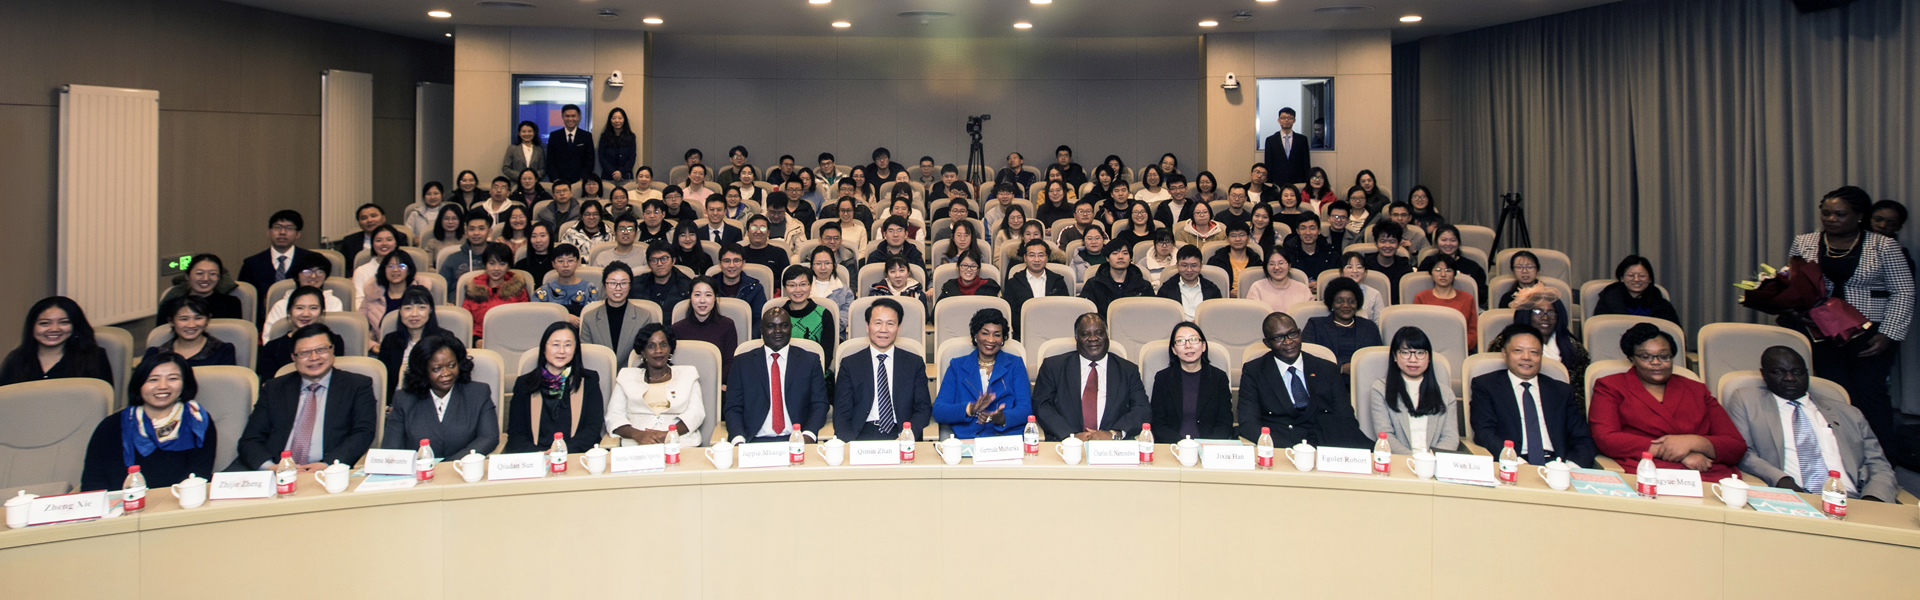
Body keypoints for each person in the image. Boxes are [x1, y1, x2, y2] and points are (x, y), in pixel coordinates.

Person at [1724, 346, 1897, 501]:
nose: (1790, 378)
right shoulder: (1747, 401)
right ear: (1763, 375)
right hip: (1789, 496)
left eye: (1798, 372)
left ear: (1807, 373)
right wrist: (1781, 480)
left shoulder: (1849, 413)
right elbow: (1744, 453)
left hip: (1849, 499)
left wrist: (1873, 500)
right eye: (1778, 372)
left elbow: (1878, 464)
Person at [1590, 324, 1747, 481]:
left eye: (1664, 356)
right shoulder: (1611, 386)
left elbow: (1735, 445)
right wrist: (1676, 452)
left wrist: (1693, 442)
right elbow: (1606, 438)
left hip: (1703, 471)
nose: (1656, 362)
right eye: (1646, 357)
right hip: (1645, 471)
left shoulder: (1697, 389)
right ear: (1632, 358)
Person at [234, 323, 379, 471]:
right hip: (276, 469)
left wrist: (327, 465)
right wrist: (271, 467)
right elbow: (250, 439)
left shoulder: (357, 385)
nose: (314, 357)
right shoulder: (274, 388)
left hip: (328, 471)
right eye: (305, 353)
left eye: (321, 350)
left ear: (332, 350)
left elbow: (363, 433)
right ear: (293, 357)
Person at [80, 353, 216, 491]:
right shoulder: (110, 426)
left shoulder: (198, 422)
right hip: (121, 503)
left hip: (180, 501)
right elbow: (93, 481)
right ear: (139, 384)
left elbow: (199, 476)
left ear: (185, 383)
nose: (163, 386)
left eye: (172, 378)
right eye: (153, 380)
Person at [1468, 323, 1597, 467]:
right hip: (1513, 464)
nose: (1526, 357)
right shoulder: (1486, 386)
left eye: (1534, 352)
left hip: (1558, 464)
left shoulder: (1562, 391)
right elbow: (1484, 433)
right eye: (1518, 351)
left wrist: (1568, 468)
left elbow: (1582, 439)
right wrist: (1516, 462)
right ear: (1504, 353)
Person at [1235, 312, 1369, 447]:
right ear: (1267, 343)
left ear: (1300, 333)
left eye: (1292, 334)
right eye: (1278, 338)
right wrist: (1288, 451)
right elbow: (1249, 423)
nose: (1288, 342)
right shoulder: (1254, 371)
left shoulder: (1326, 369)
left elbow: (1345, 417)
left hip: (1324, 444)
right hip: (1279, 445)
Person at [1032, 314, 1150, 441]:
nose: (1093, 338)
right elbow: (1042, 406)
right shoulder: (1054, 367)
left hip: (1113, 446)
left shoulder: (1128, 370)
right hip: (1065, 444)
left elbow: (1142, 409)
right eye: (1085, 334)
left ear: (1107, 335)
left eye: (1099, 333)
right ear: (1076, 338)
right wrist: (1071, 436)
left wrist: (1114, 434)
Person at [381, 334, 498, 461]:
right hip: (417, 470)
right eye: (436, 369)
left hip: (462, 467)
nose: (446, 373)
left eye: (451, 365)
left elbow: (488, 437)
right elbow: (391, 448)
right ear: (422, 370)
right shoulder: (404, 399)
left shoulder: (478, 393)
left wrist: (448, 465)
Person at [724, 307, 830, 442]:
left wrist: (808, 435)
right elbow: (733, 408)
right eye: (771, 326)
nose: (778, 331)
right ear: (761, 330)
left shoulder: (810, 361)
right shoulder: (742, 363)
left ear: (791, 328)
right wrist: (738, 440)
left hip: (797, 440)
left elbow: (819, 404)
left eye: (784, 326)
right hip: (753, 440)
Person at [832, 298, 932, 440]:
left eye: (890, 324)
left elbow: (923, 408)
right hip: (861, 433)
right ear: (867, 326)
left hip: (901, 433)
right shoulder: (850, 364)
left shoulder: (914, 363)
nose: (883, 329)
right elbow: (841, 412)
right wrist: (850, 444)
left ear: (898, 328)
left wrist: (908, 435)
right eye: (878, 323)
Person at [505, 323, 605, 453]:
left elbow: (592, 428)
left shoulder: (588, 380)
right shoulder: (524, 383)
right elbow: (516, 433)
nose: (561, 351)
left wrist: (562, 451)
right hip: (535, 456)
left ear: (575, 349)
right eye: (556, 344)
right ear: (544, 347)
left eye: (568, 345)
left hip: (575, 454)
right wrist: (538, 454)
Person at [607, 323, 705, 450]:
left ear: (670, 349)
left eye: (663, 344)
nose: (658, 350)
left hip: (681, 444)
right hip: (637, 446)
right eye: (651, 346)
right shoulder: (626, 377)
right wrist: (637, 435)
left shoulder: (688, 374)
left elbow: (696, 412)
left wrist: (669, 434)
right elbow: (614, 415)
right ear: (643, 352)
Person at [1366, 327, 1460, 454]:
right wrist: (1414, 459)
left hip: (1434, 460)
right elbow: (1385, 435)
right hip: (1398, 460)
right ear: (1395, 356)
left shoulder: (1446, 394)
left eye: (1420, 353)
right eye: (1405, 352)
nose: (1413, 359)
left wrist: (1430, 459)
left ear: (1429, 357)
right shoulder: (1380, 390)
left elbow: (1450, 437)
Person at [1150, 322, 1234, 440]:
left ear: (1203, 346)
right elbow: (1158, 423)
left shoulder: (1219, 378)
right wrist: (1182, 445)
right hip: (1172, 445)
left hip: (1209, 445)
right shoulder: (1162, 378)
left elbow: (1225, 423)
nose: (1188, 346)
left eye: (1194, 339)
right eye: (1180, 341)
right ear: (1174, 349)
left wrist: (1206, 445)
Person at [238, 210, 317, 318]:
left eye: (289, 228)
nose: (282, 232)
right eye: (277, 227)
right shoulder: (252, 264)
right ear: (268, 232)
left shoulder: (311, 260)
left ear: (298, 234)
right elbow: (246, 300)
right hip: (263, 320)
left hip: (304, 318)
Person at [579, 262, 655, 370]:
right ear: (604, 285)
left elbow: (645, 354)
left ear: (630, 285)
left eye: (623, 283)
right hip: (598, 373)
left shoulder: (644, 316)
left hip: (632, 373)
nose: (618, 288)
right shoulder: (589, 318)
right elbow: (587, 356)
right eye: (612, 283)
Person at [374, 286, 446, 393]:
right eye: (408, 308)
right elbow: (385, 382)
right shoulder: (390, 341)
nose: (414, 314)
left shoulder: (444, 340)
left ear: (430, 310)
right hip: (397, 399)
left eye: (421, 307)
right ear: (400, 311)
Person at [1303, 277, 1382, 373]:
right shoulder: (1315, 325)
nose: (1346, 305)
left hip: (1364, 377)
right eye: (1339, 301)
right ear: (1332, 303)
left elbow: (1378, 359)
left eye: (1351, 301)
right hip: (1327, 377)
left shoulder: (1369, 327)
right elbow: (1307, 358)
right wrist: (1341, 368)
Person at [260, 253, 344, 343]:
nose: (313, 276)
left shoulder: (333, 302)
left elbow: (333, 334)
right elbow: (268, 337)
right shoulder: (281, 305)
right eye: (307, 271)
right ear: (297, 276)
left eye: (319, 272)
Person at [360, 250, 431, 352]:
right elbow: (361, 328)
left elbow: (431, 324)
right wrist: (372, 345)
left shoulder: (421, 294)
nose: (395, 270)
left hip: (418, 348)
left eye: (401, 266)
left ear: (409, 270)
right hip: (382, 348)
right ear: (384, 270)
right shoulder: (372, 296)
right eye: (390, 266)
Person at [1003, 239, 1070, 340]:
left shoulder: (1058, 281)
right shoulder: (1014, 283)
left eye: (1041, 255)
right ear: (1025, 258)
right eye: (1032, 255)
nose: (1036, 259)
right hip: (1023, 335)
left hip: (1054, 334)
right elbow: (1011, 314)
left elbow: (1064, 310)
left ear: (1047, 258)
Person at [144, 296, 236, 368]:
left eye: (198, 318)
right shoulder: (155, 354)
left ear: (207, 320)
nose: (191, 325)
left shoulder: (223, 351)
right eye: (184, 319)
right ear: (171, 321)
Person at [673, 277, 738, 379]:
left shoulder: (727, 325)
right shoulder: (677, 328)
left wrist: (716, 383)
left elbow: (730, 362)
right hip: (686, 382)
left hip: (718, 383)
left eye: (708, 295)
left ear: (715, 297)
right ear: (690, 297)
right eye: (697, 295)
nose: (702, 300)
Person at [461, 243, 528, 340]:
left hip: (511, 339)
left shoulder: (518, 289)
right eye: (492, 263)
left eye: (502, 264)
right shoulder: (474, 289)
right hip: (479, 340)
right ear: (485, 264)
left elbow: (524, 320)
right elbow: (465, 321)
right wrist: (475, 340)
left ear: (508, 266)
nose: (496, 268)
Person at [1592, 255, 1681, 327]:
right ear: (1622, 278)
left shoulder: (1661, 304)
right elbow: (1598, 331)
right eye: (1631, 275)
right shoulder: (1608, 300)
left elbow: (1676, 333)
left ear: (1650, 279)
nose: (1636, 279)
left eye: (1642, 276)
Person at [258, 287, 324, 381]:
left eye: (313, 308)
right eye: (299, 308)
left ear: (321, 312)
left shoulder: (333, 342)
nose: (306, 314)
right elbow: (268, 385)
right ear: (289, 311)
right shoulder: (272, 348)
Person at [1414, 255, 1479, 349]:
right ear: (1431, 273)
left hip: (1461, 348)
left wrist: (1460, 346)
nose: (1443, 274)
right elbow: (1417, 329)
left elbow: (1473, 331)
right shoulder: (1421, 297)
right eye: (1438, 270)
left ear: (1454, 274)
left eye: (1448, 270)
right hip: (1428, 349)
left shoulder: (1467, 298)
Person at [1416, 225, 1489, 304]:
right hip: (1431, 304)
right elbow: (1419, 287)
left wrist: (1467, 284)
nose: (1448, 243)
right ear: (1436, 242)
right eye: (1444, 240)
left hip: (1462, 304)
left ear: (1458, 242)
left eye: (1453, 240)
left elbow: (1483, 296)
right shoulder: (1428, 263)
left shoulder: (1471, 266)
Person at [1079, 241, 1154, 318]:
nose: (1120, 256)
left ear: (1130, 258)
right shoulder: (1093, 284)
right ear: (1107, 258)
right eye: (1115, 253)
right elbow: (1085, 313)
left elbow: (1152, 313)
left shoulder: (1143, 285)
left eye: (1125, 253)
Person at [159, 254, 244, 320]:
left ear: (219, 278)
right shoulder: (169, 306)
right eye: (199, 273)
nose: (205, 278)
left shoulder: (231, 304)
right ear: (187, 276)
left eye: (213, 274)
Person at [778, 265, 836, 358]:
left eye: (803, 284)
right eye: (792, 285)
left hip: (816, 366)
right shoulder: (777, 316)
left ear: (811, 286)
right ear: (785, 288)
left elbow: (826, 355)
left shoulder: (824, 315)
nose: (798, 290)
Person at [534, 243, 600, 322]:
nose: (565, 265)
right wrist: (564, 316)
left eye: (570, 261)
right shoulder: (543, 291)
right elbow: (537, 318)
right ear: (553, 264)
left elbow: (594, 318)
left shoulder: (590, 289)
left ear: (578, 262)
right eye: (560, 261)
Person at [1155, 246, 1222, 321]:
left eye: (1194, 265)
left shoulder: (1212, 290)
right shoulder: (1166, 290)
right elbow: (1161, 317)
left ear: (1201, 266)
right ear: (1177, 265)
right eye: (1184, 265)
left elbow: (1218, 316)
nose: (1189, 270)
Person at [714, 244, 768, 331]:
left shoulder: (755, 288)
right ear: (720, 264)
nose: (731, 265)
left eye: (736, 260)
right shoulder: (710, 287)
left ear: (743, 263)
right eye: (727, 261)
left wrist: (749, 338)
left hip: (747, 335)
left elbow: (759, 320)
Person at [350, 223, 404, 308]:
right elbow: (358, 302)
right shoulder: (361, 271)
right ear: (372, 244)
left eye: (389, 240)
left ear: (396, 243)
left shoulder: (405, 267)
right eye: (379, 240)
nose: (384, 243)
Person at [438, 208, 497, 286]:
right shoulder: (452, 259)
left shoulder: (498, 257)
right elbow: (441, 287)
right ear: (466, 233)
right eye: (472, 229)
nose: (476, 233)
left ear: (489, 232)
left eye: (481, 229)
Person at [341, 204, 409, 268]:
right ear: (359, 222)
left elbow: (404, 261)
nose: (369, 220)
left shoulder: (399, 237)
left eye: (373, 216)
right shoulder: (349, 241)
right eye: (364, 218)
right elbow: (347, 268)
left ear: (383, 218)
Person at [1246, 250, 1313, 312]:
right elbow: (1252, 315)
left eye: (1281, 263)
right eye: (1271, 264)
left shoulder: (1303, 289)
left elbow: (1309, 315)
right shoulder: (1257, 288)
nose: (1276, 267)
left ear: (1289, 265)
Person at [1281, 214, 1338, 286]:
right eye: (1303, 228)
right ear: (1298, 231)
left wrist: (1321, 285)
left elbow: (1336, 279)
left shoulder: (1330, 254)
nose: (1308, 232)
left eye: (1312, 228)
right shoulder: (1288, 254)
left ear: (1319, 231)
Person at [544, 104, 594, 185]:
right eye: (567, 116)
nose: (570, 119)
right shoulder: (554, 136)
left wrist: (583, 178)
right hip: (559, 180)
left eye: (573, 116)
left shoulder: (586, 136)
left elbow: (590, 160)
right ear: (562, 117)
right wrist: (555, 179)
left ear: (578, 117)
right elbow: (550, 160)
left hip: (580, 181)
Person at [1206, 221, 1261, 295]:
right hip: (1222, 299)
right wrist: (1227, 293)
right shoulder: (1216, 261)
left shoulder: (1257, 262)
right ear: (1227, 239)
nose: (1238, 239)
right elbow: (1209, 286)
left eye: (1242, 235)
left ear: (1248, 238)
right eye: (1233, 235)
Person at [1263, 107, 1313, 187]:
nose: (1286, 120)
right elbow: (1268, 163)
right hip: (1277, 181)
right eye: (1283, 118)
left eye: (1290, 118)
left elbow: (1306, 163)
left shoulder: (1302, 139)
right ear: (1278, 120)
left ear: (1294, 120)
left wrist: (1307, 180)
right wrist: (1269, 181)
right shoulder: (1271, 140)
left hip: (1298, 181)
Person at [1366, 221, 1414, 300]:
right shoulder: (1365, 265)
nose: (1387, 246)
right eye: (1383, 241)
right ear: (1375, 243)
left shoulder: (1405, 267)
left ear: (1398, 244)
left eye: (1392, 242)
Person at [1336, 252, 1386, 323]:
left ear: (1365, 272)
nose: (1355, 270)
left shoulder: (1374, 294)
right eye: (1349, 267)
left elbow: (1379, 323)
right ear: (1341, 271)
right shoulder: (1334, 293)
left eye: (1359, 267)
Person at [404, 182, 453, 253]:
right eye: (428, 194)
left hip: (444, 248)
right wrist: (414, 239)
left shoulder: (449, 212)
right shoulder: (416, 213)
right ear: (424, 196)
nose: (432, 197)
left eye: (436, 193)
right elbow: (407, 232)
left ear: (442, 195)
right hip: (420, 250)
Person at [597, 107, 636, 184]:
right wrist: (613, 173)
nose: (617, 121)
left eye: (620, 118)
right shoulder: (604, 137)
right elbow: (602, 157)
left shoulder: (631, 137)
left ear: (624, 120)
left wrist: (621, 172)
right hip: (608, 177)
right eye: (614, 118)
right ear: (610, 120)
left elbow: (632, 158)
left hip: (625, 177)